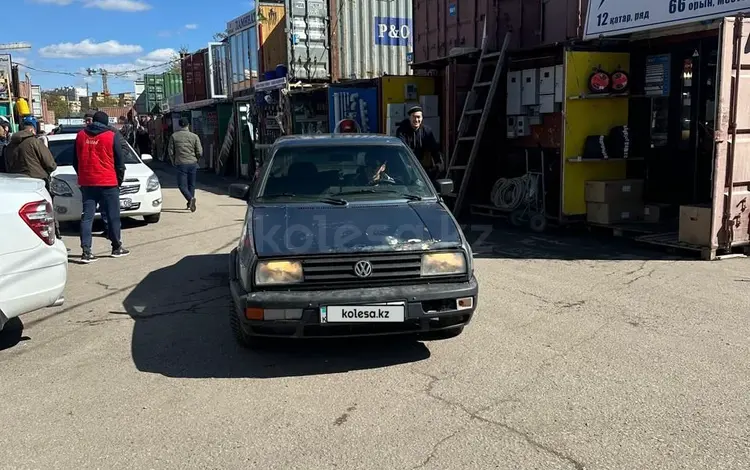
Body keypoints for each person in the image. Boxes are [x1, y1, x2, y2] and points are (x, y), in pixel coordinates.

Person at [73, 111, 130, 263]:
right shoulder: (111, 136)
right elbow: (120, 162)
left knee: (87, 217)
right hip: (108, 182)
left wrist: (82, 175)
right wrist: (118, 181)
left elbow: (75, 161)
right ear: (106, 123)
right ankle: (116, 247)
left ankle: (86, 252)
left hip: (88, 183)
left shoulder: (80, 135)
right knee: (113, 216)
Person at [4, 116, 61, 239]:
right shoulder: (34, 142)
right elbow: (50, 163)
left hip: (17, 185)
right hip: (38, 183)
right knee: (45, 214)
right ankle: (54, 237)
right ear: (33, 129)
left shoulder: (9, 146)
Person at [395, 105, 443, 183]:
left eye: (418, 117)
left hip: (423, 168)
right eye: (414, 117)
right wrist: (409, 167)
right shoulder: (402, 131)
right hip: (406, 168)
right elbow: (401, 150)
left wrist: (439, 165)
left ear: (422, 118)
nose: (416, 120)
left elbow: (434, 149)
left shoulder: (426, 131)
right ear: (410, 118)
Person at [168, 117, 203, 212]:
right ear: (188, 125)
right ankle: (189, 203)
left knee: (182, 185)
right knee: (191, 184)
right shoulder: (194, 136)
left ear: (179, 125)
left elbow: (170, 151)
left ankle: (190, 199)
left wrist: (173, 161)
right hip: (192, 162)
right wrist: (197, 159)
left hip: (181, 163)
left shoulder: (174, 136)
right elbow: (199, 151)